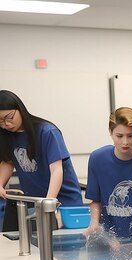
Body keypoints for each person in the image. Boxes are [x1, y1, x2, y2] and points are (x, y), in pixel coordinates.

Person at [0, 90, 83, 227]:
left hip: (63, 203)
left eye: (9, 117)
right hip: (36, 203)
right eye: (0, 121)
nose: (6, 124)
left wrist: (49, 203)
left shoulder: (47, 132)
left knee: (52, 240)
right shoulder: (7, 135)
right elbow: (8, 161)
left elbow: (57, 170)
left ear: (20, 109)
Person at [84, 107, 132, 241]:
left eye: (130, 136)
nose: (125, 142)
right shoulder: (97, 159)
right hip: (106, 239)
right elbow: (96, 201)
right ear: (110, 132)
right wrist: (94, 224)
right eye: (119, 136)